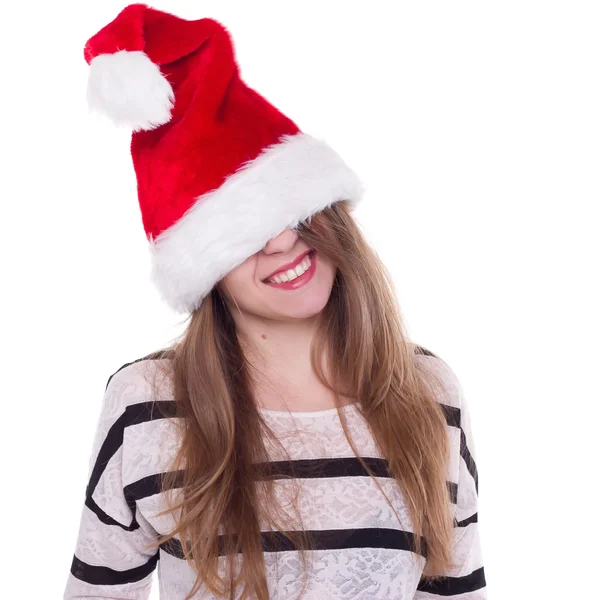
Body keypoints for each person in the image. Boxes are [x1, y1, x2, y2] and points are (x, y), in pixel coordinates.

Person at [64, 4, 487, 599]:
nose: (284, 240)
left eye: (295, 210)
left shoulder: (427, 393)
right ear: (202, 266)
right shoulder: (147, 406)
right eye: (242, 232)